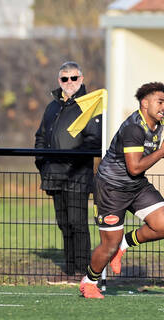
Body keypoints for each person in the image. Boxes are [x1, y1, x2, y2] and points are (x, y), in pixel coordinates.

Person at [80, 82, 164, 299]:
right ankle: (89, 282)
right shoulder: (133, 129)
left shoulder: (159, 123)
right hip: (111, 189)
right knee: (109, 243)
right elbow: (134, 167)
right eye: (160, 102)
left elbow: (136, 173)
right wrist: (162, 152)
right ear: (145, 103)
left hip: (136, 185)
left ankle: (124, 245)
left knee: (162, 225)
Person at [35, 61, 102, 275]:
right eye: (65, 78)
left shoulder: (89, 105)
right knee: (63, 224)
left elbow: (94, 140)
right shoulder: (52, 106)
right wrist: (42, 163)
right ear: (59, 81)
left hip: (77, 175)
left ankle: (84, 271)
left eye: (74, 78)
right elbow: (41, 136)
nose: (69, 82)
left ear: (81, 79)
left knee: (78, 224)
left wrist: (72, 162)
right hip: (53, 174)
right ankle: (70, 269)